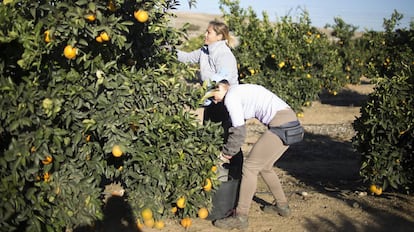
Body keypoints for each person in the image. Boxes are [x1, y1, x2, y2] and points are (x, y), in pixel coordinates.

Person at [210, 80, 303, 230]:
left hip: (281, 125)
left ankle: (241, 217)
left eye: (213, 93)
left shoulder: (231, 97)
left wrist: (226, 154)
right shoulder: (239, 92)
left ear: (222, 87)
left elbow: (239, 132)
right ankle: (282, 206)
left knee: (250, 167)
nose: (213, 99)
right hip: (291, 123)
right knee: (265, 167)